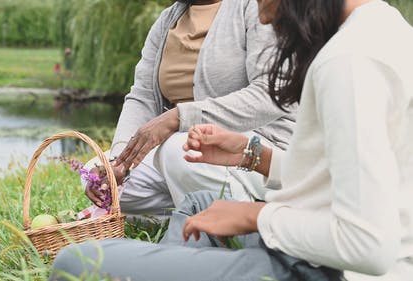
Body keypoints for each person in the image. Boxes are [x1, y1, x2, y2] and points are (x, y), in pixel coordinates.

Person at [50, 0, 413, 280]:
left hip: (322, 269)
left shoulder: (347, 62)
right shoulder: (382, 26)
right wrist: (254, 156)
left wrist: (257, 215)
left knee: (74, 261)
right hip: (316, 246)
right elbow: (343, 174)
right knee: (198, 205)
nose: (265, 17)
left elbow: (370, 246)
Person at [85, 0, 296, 216]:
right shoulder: (167, 21)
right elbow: (143, 96)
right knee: (95, 174)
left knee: (180, 149)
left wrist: (180, 117)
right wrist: (119, 161)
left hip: (263, 147)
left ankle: (239, 224)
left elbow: (271, 94)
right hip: (191, 151)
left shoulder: (257, 7)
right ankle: (187, 209)